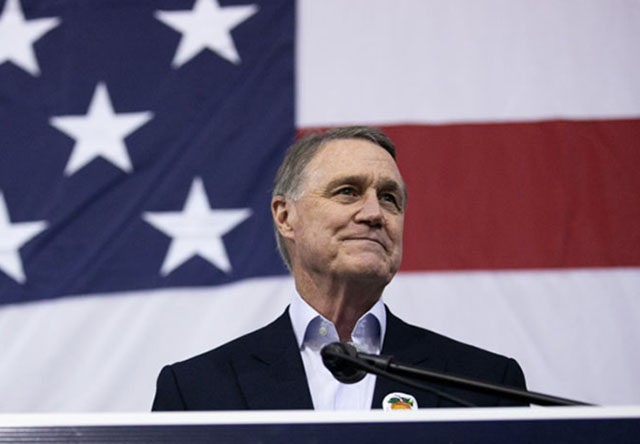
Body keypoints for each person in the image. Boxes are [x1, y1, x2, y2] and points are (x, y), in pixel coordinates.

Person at [152, 126, 526, 411]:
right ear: (285, 216)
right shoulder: (196, 391)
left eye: (389, 198)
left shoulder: (484, 383)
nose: (374, 214)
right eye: (347, 191)